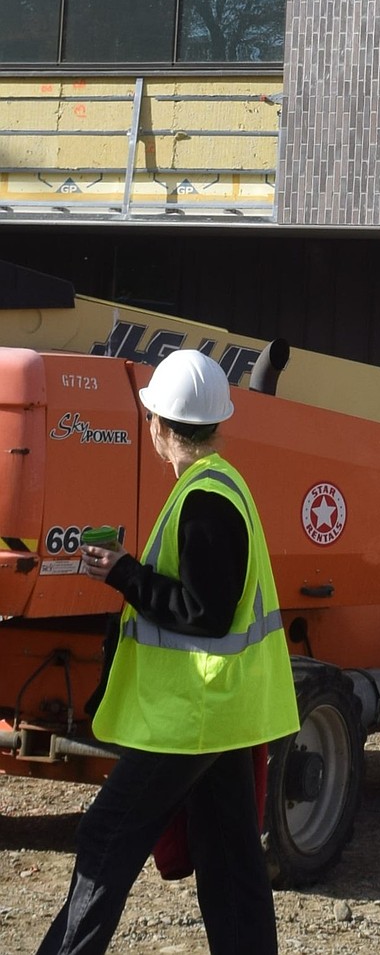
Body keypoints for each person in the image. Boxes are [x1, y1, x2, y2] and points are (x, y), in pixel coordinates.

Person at [38, 347, 299, 955]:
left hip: (193, 717)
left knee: (107, 837)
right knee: (230, 858)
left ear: (159, 425)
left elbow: (204, 613)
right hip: (224, 712)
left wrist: (125, 574)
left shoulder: (205, 499)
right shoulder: (220, 485)